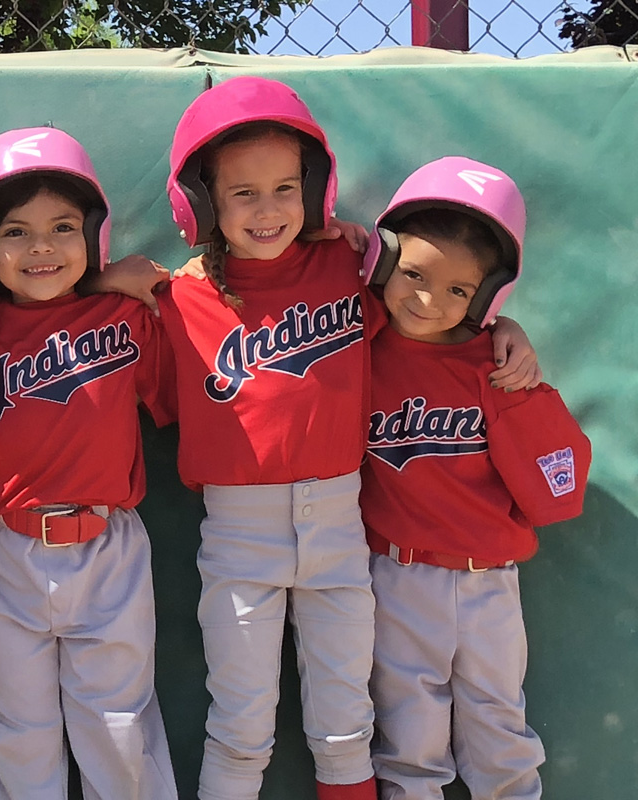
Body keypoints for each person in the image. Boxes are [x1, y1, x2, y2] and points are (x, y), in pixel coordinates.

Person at [156, 76, 542, 800]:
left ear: (315, 188)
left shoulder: (353, 266)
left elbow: (434, 313)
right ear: (202, 202)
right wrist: (121, 286)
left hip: (340, 523)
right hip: (239, 534)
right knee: (240, 728)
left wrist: (504, 329)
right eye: (242, 193)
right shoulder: (180, 299)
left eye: (284, 187)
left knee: (345, 727)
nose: (267, 209)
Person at [0, 126, 178, 800]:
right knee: (18, 737)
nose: (42, 246)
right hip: (3, 554)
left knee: (121, 729)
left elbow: (199, 357)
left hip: (107, 545)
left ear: (95, 237)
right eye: (16, 232)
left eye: (63, 228)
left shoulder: (123, 317)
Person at [359, 157, 589, 800]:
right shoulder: (359, 342)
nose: (429, 299)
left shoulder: (496, 364)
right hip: (396, 576)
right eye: (412, 274)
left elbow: (558, 488)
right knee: (410, 742)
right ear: (384, 260)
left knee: (499, 731)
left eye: (460, 289)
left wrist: (513, 353)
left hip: (489, 583)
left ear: (488, 298)